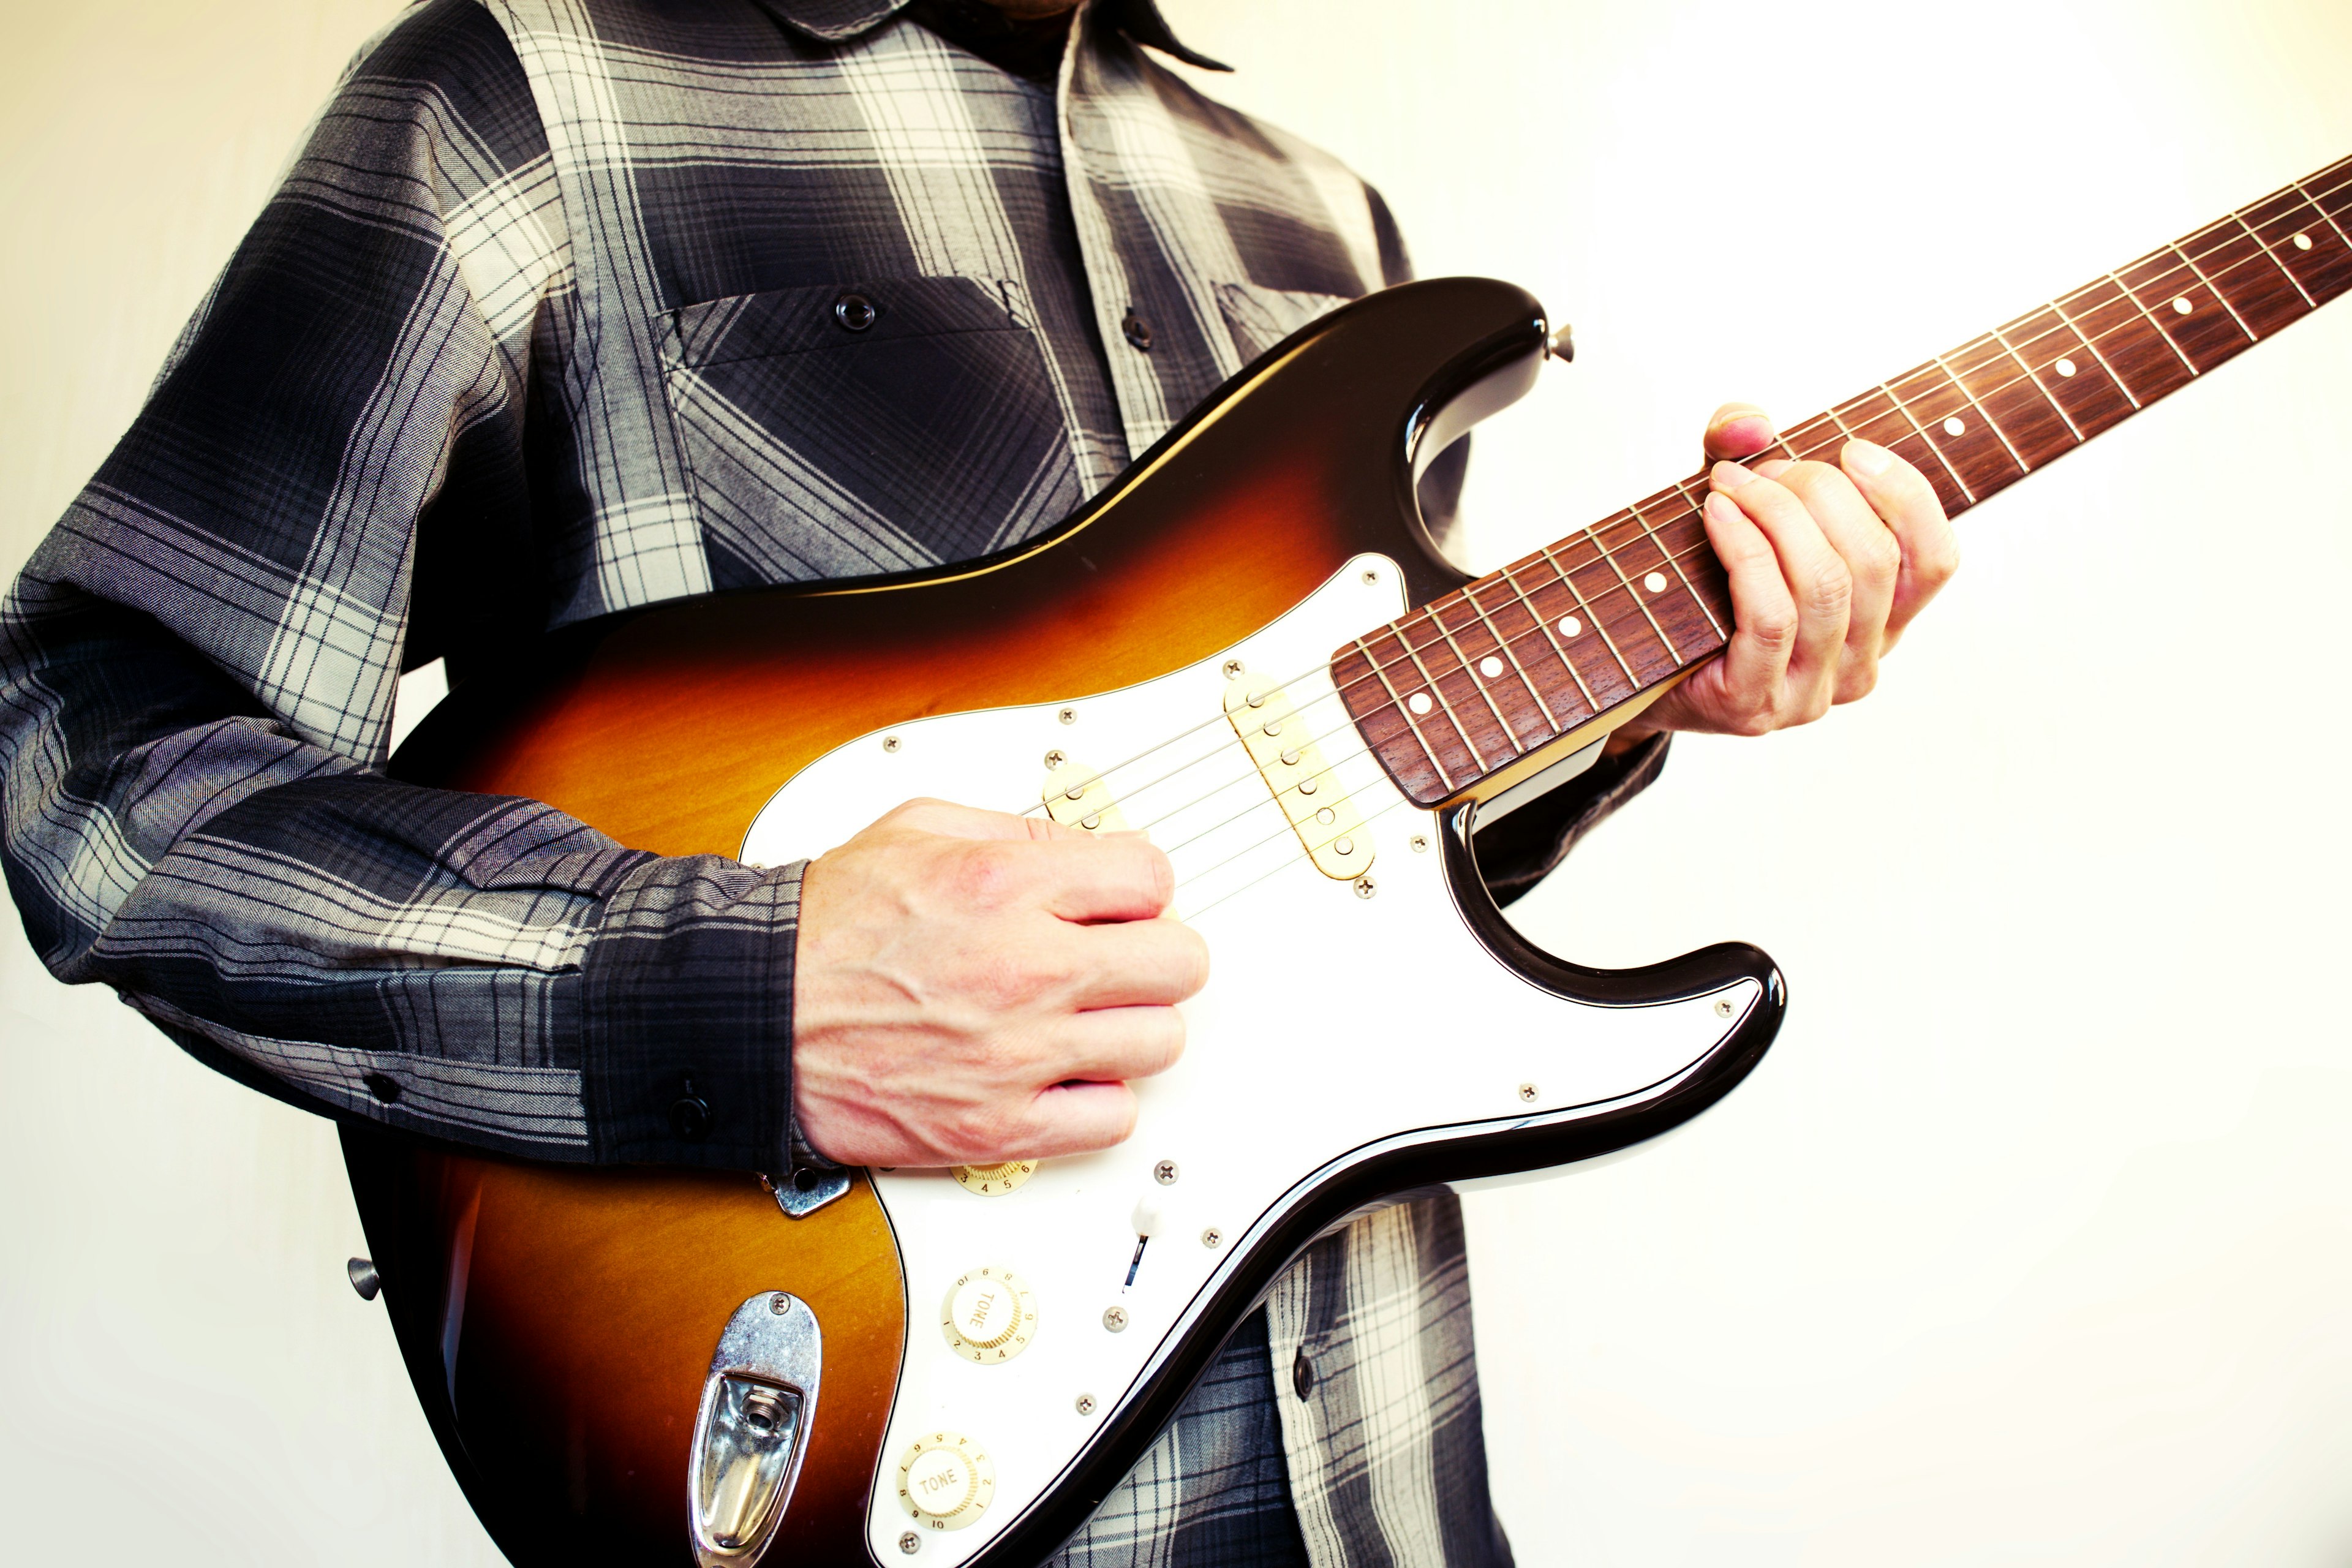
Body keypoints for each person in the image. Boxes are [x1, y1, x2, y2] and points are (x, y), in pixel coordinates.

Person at [0, 1, 1956, 1562]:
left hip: (1391, 1480)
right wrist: (747, 988)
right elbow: (94, 737)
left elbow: (1330, 853)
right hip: (862, 1445)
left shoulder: (1320, 220)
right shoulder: (518, 100)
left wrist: (1629, 697)